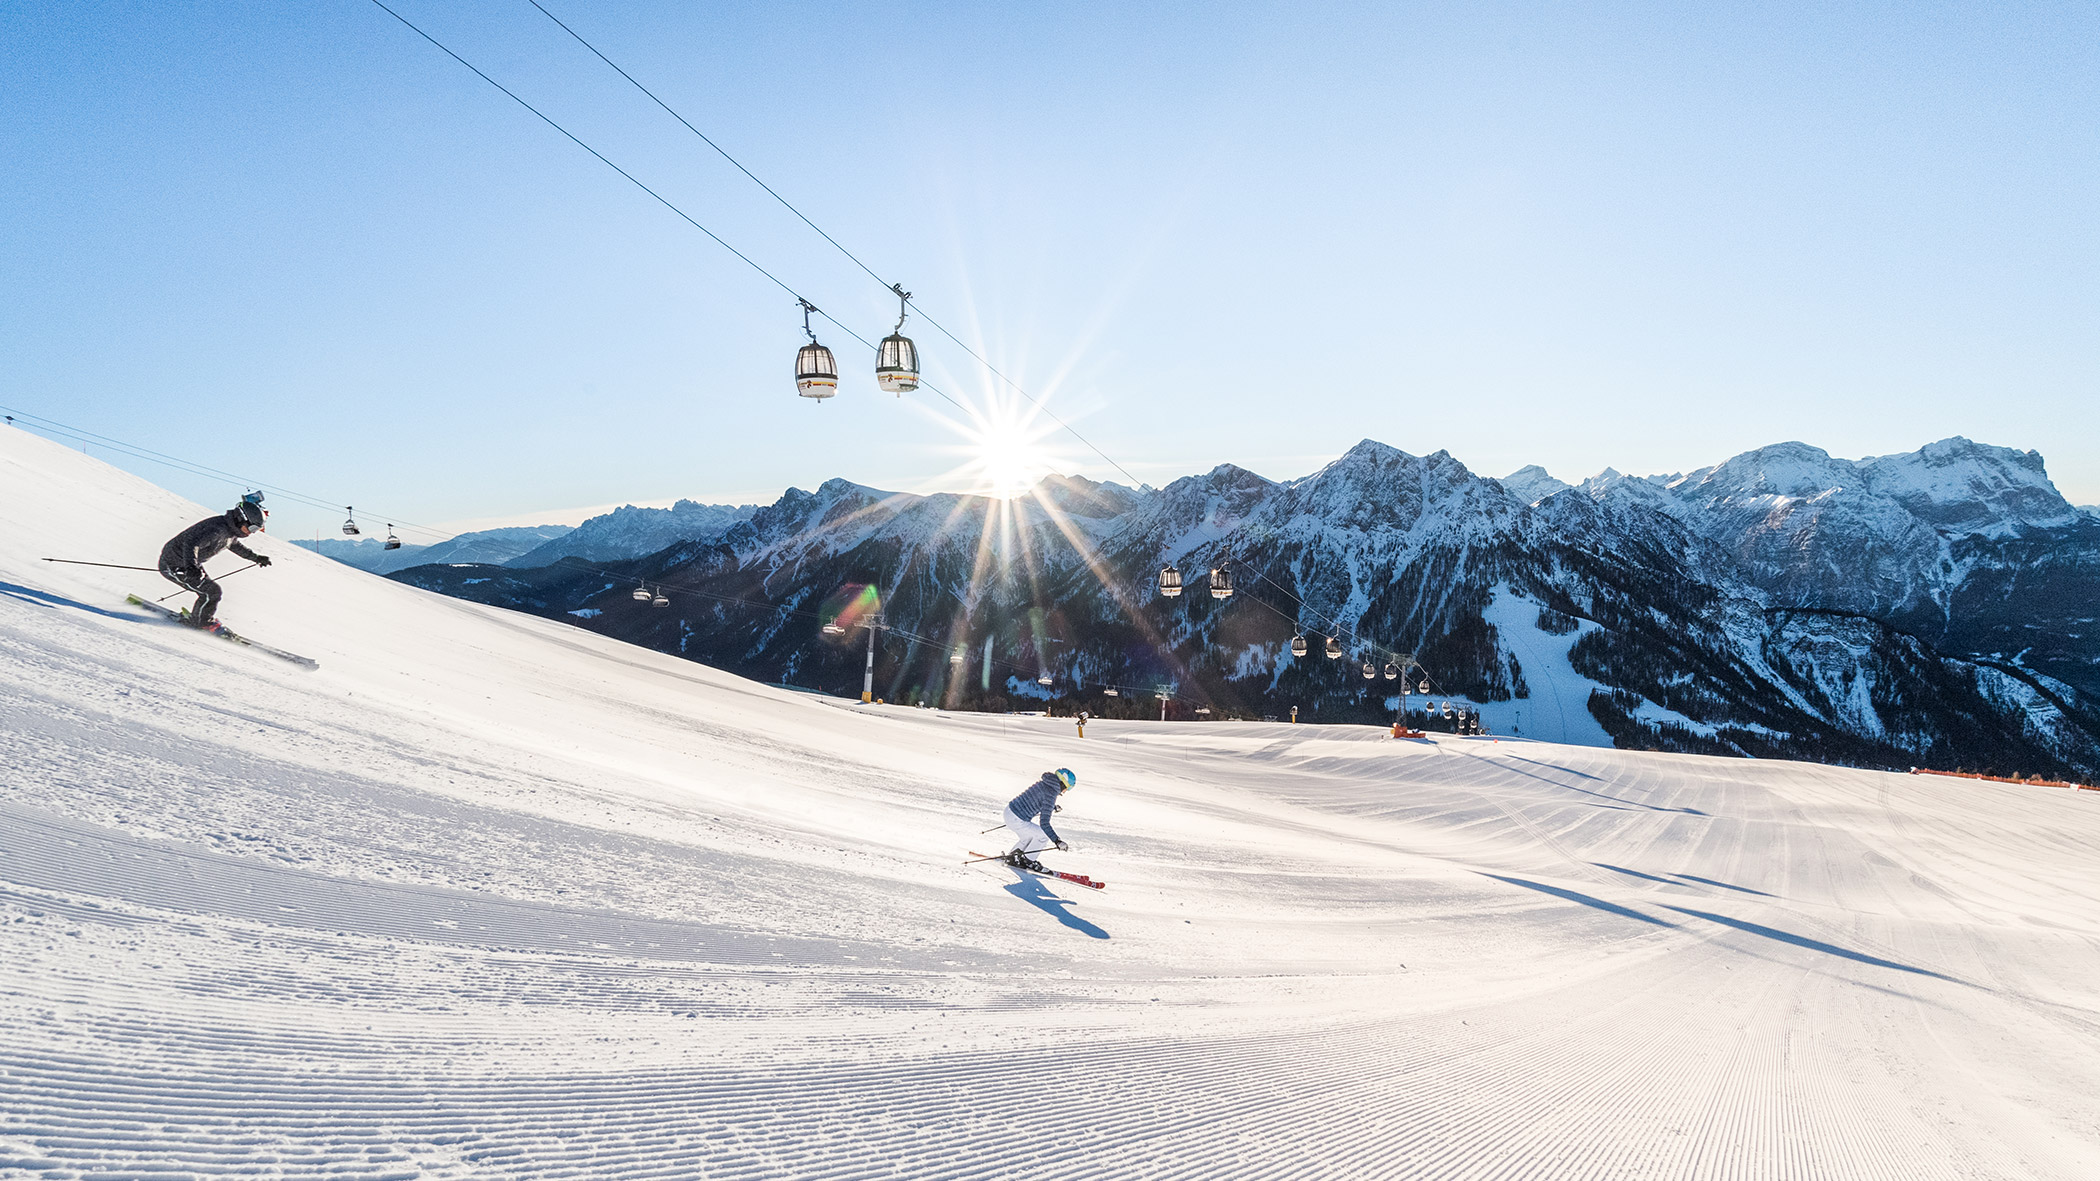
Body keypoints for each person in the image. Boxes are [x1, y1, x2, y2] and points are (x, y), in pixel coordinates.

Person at [159, 495, 271, 629]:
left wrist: (256, 557)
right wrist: (191, 567)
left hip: (187, 564)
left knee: (211, 592)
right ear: (241, 519)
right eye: (252, 528)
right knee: (211, 592)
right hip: (174, 564)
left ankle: (200, 620)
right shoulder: (217, 530)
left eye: (256, 530)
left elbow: (234, 545)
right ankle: (202, 623)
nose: (252, 533)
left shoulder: (229, 530)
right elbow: (191, 544)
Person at [1001, 767, 1076, 872]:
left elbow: (1038, 799)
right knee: (1043, 835)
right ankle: (1028, 861)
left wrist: (1052, 807)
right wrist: (1057, 841)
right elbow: (1044, 823)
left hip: (1009, 812)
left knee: (1028, 837)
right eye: (1068, 788)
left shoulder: (1046, 783)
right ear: (1063, 783)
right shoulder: (1051, 794)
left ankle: (1013, 857)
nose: (1066, 791)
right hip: (1017, 819)